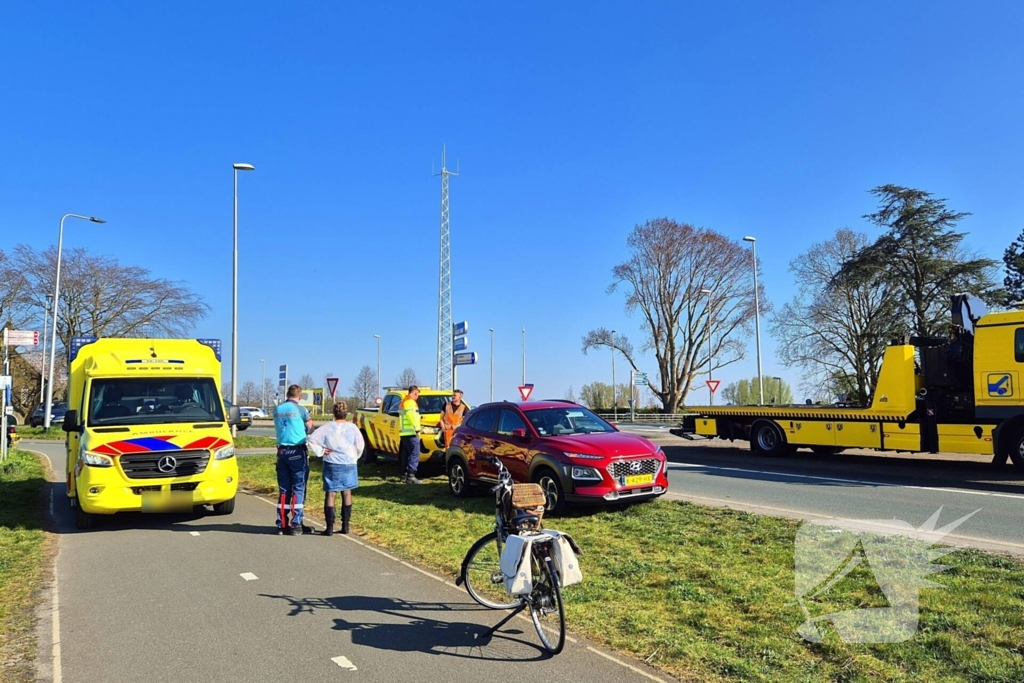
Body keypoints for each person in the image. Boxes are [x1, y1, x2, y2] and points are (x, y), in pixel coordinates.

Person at [307, 400, 364, 535]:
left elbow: (312, 439)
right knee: (347, 492)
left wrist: (322, 451)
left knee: (331, 493)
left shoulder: (328, 427)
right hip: (349, 462)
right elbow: (360, 445)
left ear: (334, 413)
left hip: (332, 462)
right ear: (346, 413)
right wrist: (354, 456)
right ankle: (345, 526)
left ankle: (330, 528)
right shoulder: (352, 427)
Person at [273, 384, 313, 535]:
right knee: (298, 488)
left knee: (284, 490)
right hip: (297, 451)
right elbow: (310, 428)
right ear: (299, 396)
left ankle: (282, 524)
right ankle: (296, 524)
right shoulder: (301, 410)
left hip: (282, 451)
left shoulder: (277, 409)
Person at [398, 385, 423, 484]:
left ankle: (404, 475)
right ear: (415, 393)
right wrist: (417, 429)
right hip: (411, 432)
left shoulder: (404, 401)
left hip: (404, 432)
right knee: (415, 453)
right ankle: (411, 476)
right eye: (417, 395)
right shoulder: (411, 403)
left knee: (406, 454)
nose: (417, 397)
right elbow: (411, 417)